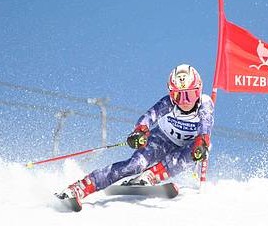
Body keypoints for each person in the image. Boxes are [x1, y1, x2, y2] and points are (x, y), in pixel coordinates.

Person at [56, 64, 214, 206]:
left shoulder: (204, 103)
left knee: (196, 152)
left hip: (188, 146)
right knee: (135, 165)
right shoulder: (169, 103)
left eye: (190, 95)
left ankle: (152, 175)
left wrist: (202, 143)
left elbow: (205, 125)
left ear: (198, 91)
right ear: (171, 94)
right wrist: (140, 132)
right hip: (161, 139)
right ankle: (81, 187)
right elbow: (149, 117)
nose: (184, 101)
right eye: (179, 95)